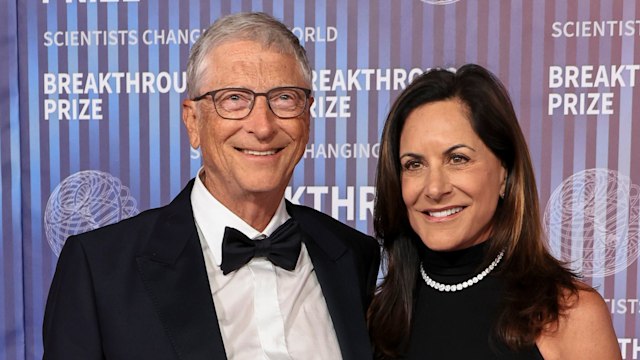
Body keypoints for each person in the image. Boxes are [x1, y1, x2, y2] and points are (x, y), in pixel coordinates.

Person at [43, 12, 380, 360]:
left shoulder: (353, 256)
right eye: (234, 99)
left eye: (284, 98)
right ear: (193, 121)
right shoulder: (100, 270)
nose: (262, 126)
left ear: (307, 116)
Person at [367, 64, 621, 359]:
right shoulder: (375, 320)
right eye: (414, 164)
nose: (434, 189)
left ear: (505, 172)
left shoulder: (568, 314)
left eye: (458, 159)